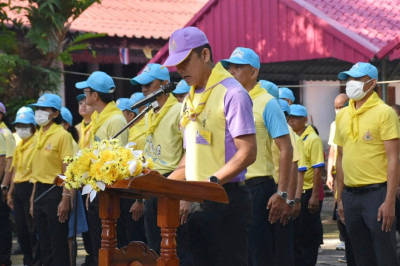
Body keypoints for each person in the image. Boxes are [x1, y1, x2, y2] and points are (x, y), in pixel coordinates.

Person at [164, 26, 257, 265]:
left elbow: (247, 152)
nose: (180, 70)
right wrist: (162, 184)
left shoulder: (232, 93)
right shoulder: (190, 98)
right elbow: (190, 157)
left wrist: (211, 183)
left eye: (185, 61)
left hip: (226, 199)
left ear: (204, 55)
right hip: (196, 198)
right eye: (176, 64)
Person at [220, 47, 293, 265]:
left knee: (257, 252)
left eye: (238, 67)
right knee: (233, 250)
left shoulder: (267, 103)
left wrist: (282, 192)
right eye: (229, 67)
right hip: (229, 185)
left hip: (257, 187)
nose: (232, 71)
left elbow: (286, 148)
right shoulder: (228, 99)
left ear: (253, 72)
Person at [335, 62, 400, 266]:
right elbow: (340, 156)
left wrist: (389, 201)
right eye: (349, 79)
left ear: (372, 83)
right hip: (350, 195)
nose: (350, 83)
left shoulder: (384, 113)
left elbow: (394, 159)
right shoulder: (343, 114)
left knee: (384, 255)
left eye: (357, 79)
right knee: (360, 256)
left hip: (377, 195)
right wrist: (340, 198)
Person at [130, 63, 184, 258]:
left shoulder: (179, 109)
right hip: (150, 182)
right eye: (141, 85)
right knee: (152, 245)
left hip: (171, 181)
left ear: (165, 84)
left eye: (149, 84)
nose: (144, 89)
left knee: (172, 244)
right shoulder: (148, 111)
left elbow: (189, 150)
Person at [75, 71, 128, 264]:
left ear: (95, 95)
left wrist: (97, 188)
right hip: (97, 189)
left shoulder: (115, 120)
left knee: (109, 246)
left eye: (86, 91)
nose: (84, 95)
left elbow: (117, 161)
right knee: (98, 245)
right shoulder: (100, 118)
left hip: (108, 192)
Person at [28, 93, 74, 266]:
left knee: (58, 244)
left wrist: (65, 198)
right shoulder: (38, 135)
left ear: (55, 114)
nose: (39, 112)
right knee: (44, 244)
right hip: (39, 190)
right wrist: (33, 198)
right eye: (37, 109)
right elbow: (37, 170)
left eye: (44, 109)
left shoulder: (62, 135)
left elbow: (67, 169)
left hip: (55, 191)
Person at [288, 104, 325, 266]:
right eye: (290, 117)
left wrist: (315, 196)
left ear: (304, 119)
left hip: (308, 192)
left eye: (296, 118)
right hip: (297, 191)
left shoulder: (313, 139)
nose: (292, 121)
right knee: (297, 236)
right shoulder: (292, 137)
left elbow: (317, 170)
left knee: (308, 235)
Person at [7, 107, 40, 266]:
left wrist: (33, 196)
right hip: (19, 189)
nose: (21, 129)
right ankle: (28, 260)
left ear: (33, 126)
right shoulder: (20, 145)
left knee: (32, 229)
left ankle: (35, 261)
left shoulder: (37, 143)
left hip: (31, 187)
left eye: (25, 125)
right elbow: (15, 170)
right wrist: (10, 192)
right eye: (18, 126)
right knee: (21, 230)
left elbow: (36, 171)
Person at [115, 97, 147, 244]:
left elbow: (143, 169)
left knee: (135, 240)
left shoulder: (140, 136)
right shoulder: (124, 133)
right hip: (123, 191)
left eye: (119, 112)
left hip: (134, 194)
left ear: (131, 115)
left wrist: (139, 200)